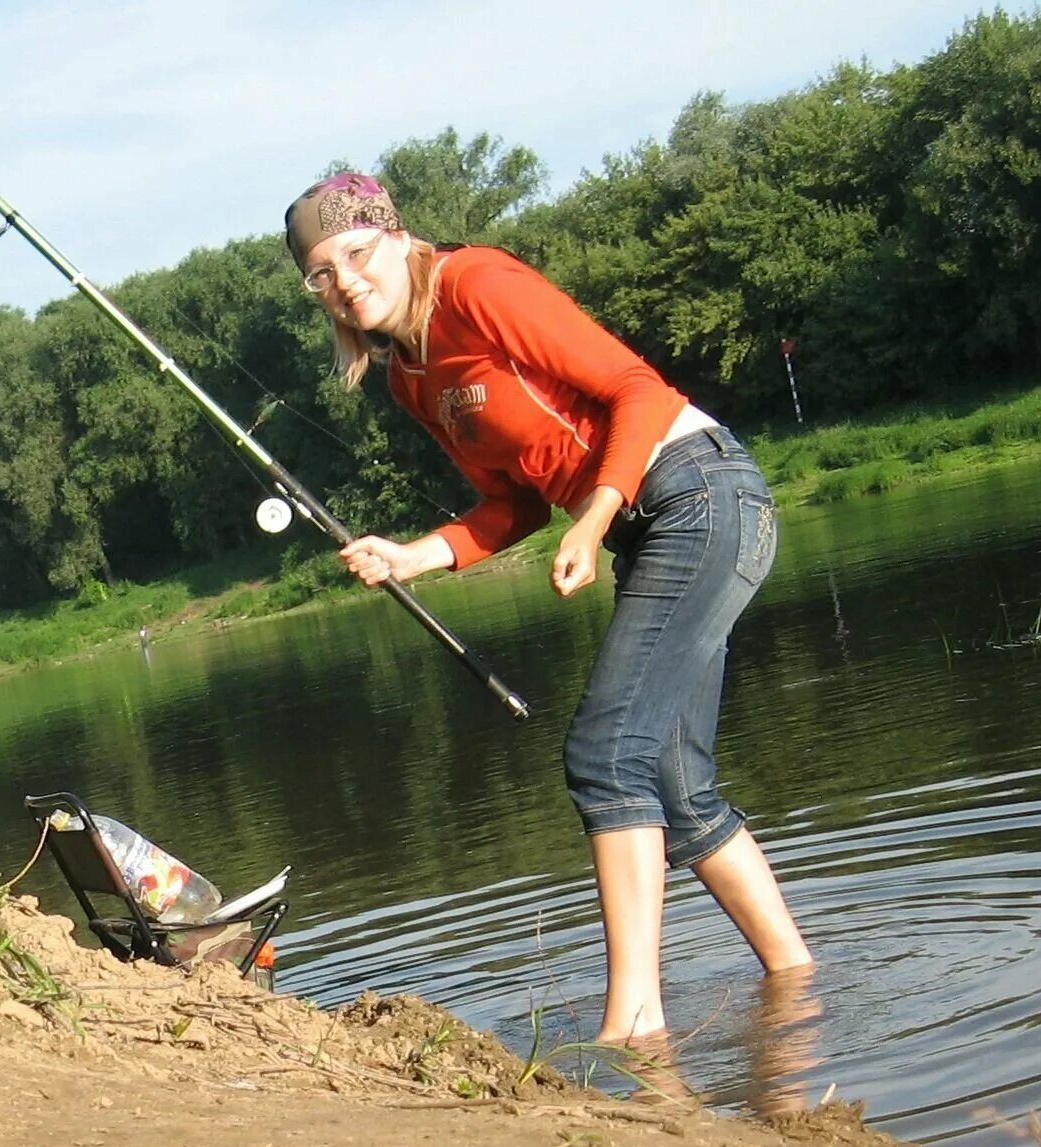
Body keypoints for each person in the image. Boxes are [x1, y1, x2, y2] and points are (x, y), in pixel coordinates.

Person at [284, 172, 812, 1044]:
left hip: (700, 494)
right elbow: (516, 503)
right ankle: (796, 981)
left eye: (355, 252)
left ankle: (633, 1026)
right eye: (320, 273)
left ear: (395, 235)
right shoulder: (410, 378)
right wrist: (414, 554)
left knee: (606, 754)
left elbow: (637, 389)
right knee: (673, 783)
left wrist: (596, 514)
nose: (344, 281)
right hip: (653, 524)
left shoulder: (476, 284)